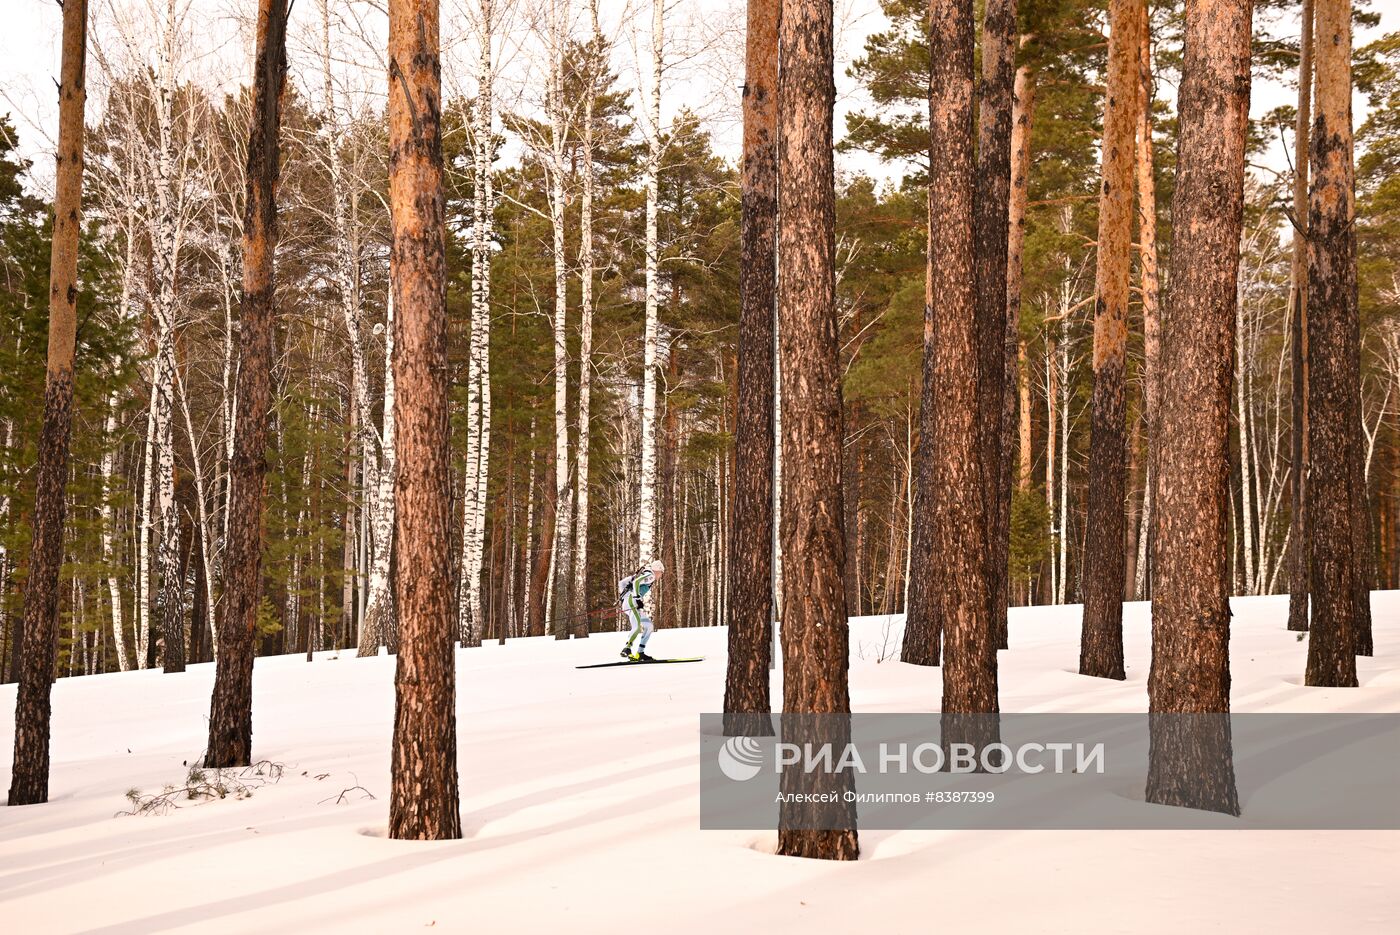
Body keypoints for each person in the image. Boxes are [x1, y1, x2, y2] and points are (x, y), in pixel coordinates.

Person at [620, 559, 665, 661]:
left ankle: (640, 653)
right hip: (632, 601)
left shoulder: (647, 574)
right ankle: (627, 648)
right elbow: (636, 582)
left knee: (649, 626)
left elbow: (629, 583)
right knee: (636, 628)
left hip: (632, 602)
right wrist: (636, 598)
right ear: (658, 570)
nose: (661, 576)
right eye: (661, 573)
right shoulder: (651, 575)